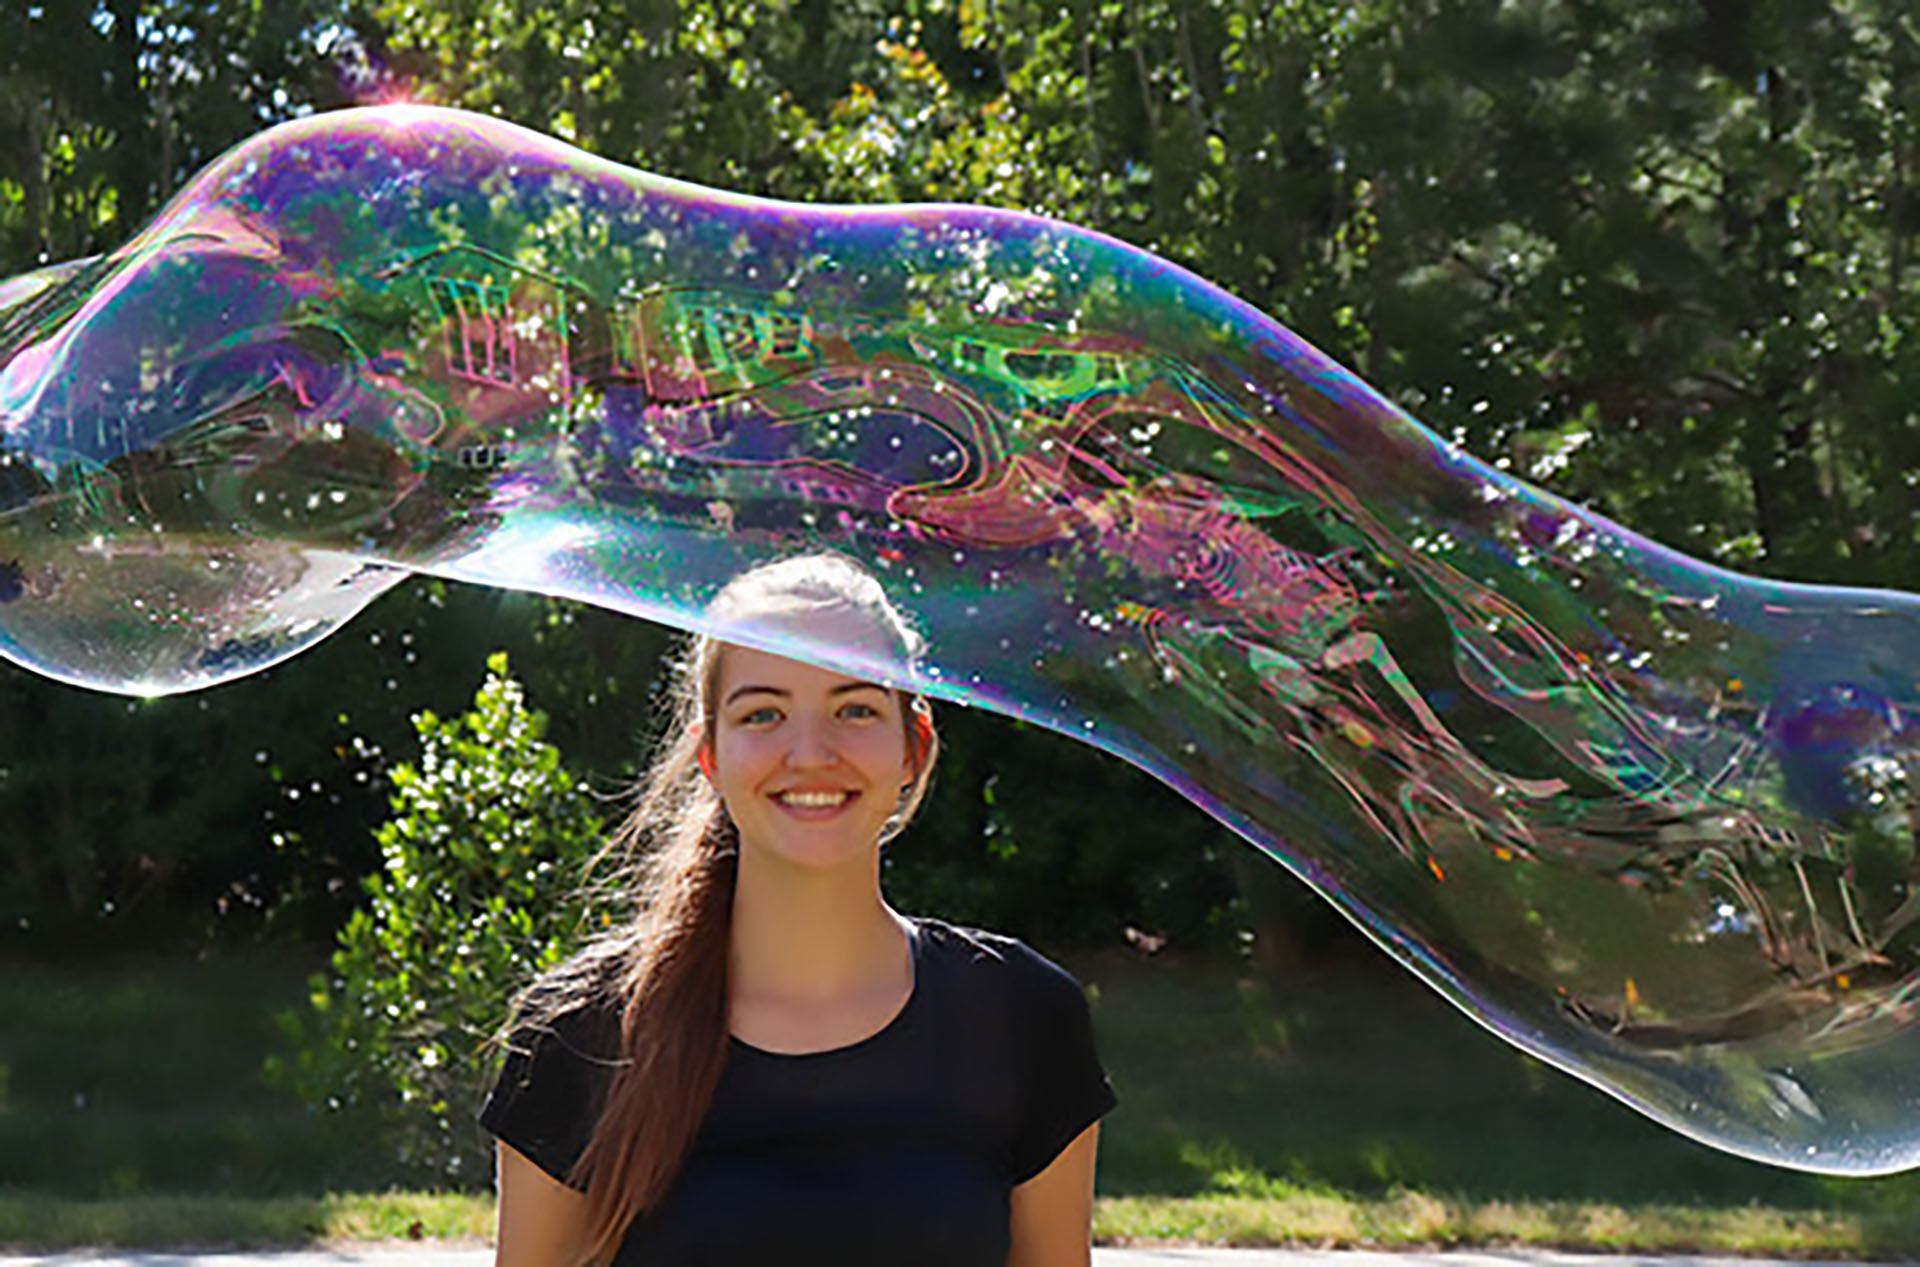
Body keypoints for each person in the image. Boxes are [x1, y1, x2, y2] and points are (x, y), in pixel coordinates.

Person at [481, 552, 1116, 1266]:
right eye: (764, 713)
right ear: (711, 755)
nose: (810, 751)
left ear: (915, 744)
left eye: (854, 709)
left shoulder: (1024, 1017)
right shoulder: (579, 1031)